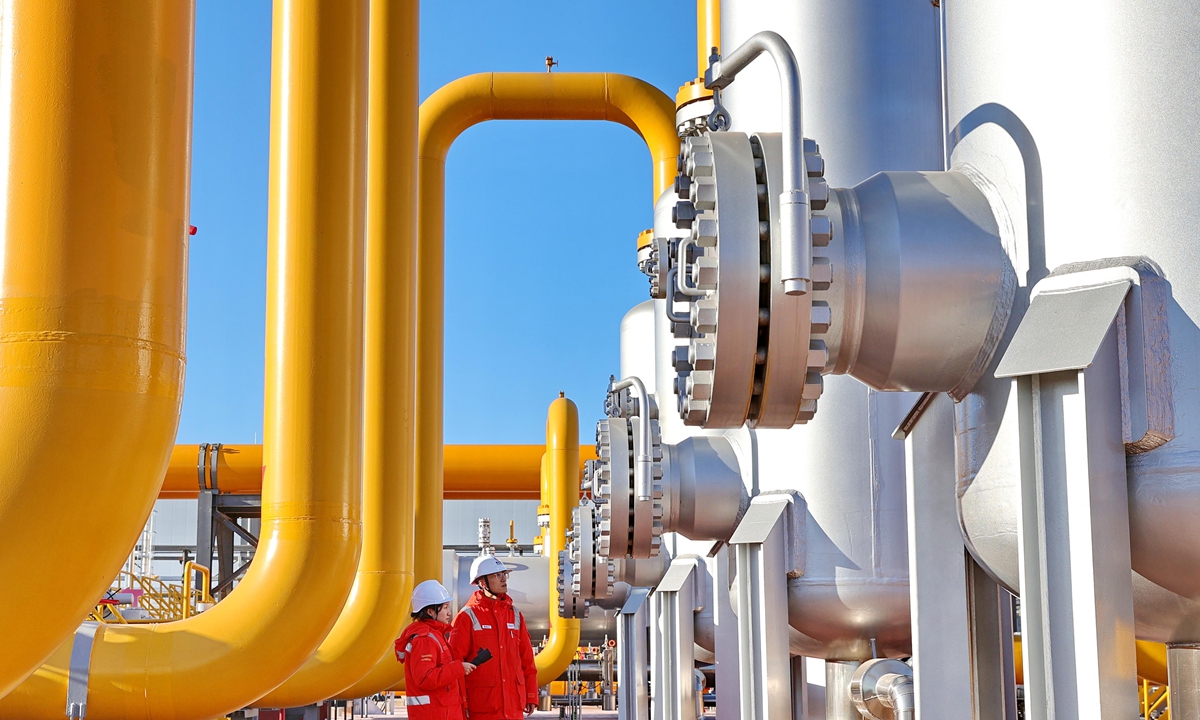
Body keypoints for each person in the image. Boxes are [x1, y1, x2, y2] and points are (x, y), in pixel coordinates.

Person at [450, 555, 538, 719]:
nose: (503, 579)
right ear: (482, 582)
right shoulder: (466, 616)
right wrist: (462, 703)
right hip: (483, 707)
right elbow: (455, 665)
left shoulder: (515, 615)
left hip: (513, 706)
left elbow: (527, 659)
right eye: (497, 575)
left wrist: (531, 694)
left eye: (504, 574)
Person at [396, 580, 475, 720]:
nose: (449, 612)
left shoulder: (435, 635)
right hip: (435, 714)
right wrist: (458, 668)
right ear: (430, 611)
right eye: (445, 607)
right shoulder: (425, 639)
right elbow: (425, 678)